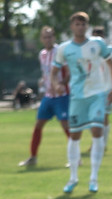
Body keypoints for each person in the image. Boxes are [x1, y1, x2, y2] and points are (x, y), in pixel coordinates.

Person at [52, 11, 112, 194]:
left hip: (97, 94)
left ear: (87, 26)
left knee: (97, 131)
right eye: (77, 24)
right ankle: (73, 177)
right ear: (71, 26)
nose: (80, 27)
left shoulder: (97, 44)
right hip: (77, 97)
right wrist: (56, 84)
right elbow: (54, 71)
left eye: (83, 24)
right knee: (74, 136)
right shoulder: (64, 48)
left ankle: (93, 178)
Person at [19, 27, 71, 168]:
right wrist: (43, 83)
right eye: (45, 37)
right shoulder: (41, 54)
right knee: (38, 125)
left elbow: (68, 73)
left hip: (61, 96)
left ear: (54, 37)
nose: (47, 39)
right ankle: (33, 157)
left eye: (50, 37)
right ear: (41, 39)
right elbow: (46, 73)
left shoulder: (60, 52)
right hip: (48, 97)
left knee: (66, 126)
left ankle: (75, 158)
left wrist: (61, 84)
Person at [91, 26, 112, 152]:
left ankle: (102, 144)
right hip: (94, 88)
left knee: (104, 116)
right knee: (92, 117)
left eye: (99, 35)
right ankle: (97, 142)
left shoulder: (110, 50)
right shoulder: (91, 51)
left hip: (108, 88)